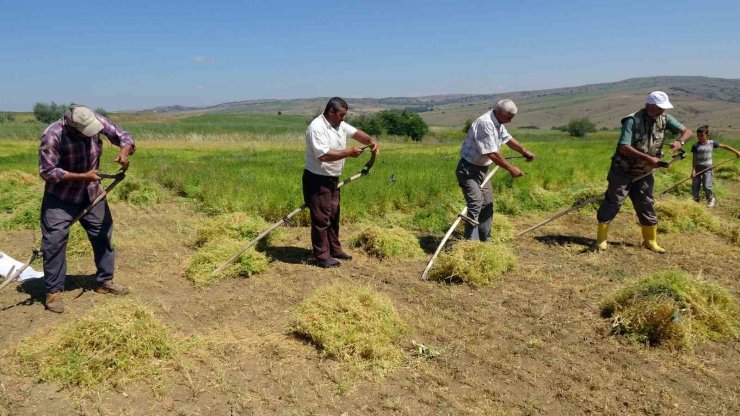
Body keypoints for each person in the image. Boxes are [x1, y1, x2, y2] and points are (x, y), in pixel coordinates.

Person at [38, 105, 135, 313]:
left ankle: (104, 281)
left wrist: (124, 152)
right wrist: (82, 176)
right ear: (71, 125)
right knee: (54, 241)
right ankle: (53, 292)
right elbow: (47, 172)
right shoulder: (53, 135)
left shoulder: (94, 121)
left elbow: (124, 137)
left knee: (103, 234)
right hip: (61, 197)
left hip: (92, 192)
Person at [595, 91, 693, 253]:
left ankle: (650, 241)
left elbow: (687, 131)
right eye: (660, 108)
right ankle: (601, 240)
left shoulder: (665, 119)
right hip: (623, 170)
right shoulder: (632, 120)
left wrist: (679, 141)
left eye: (663, 108)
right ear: (650, 105)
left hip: (645, 173)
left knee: (646, 203)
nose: (662, 111)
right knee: (613, 202)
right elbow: (624, 147)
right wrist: (649, 159)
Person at [303, 97, 379, 268]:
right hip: (317, 179)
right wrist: (348, 153)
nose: (344, 118)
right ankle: (322, 256)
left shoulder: (339, 124)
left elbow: (357, 133)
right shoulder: (316, 128)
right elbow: (323, 155)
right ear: (331, 111)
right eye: (341, 115)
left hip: (332, 177)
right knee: (321, 218)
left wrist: (371, 142)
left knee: (333, 214)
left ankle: (334, 250)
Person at [456, 99, 535, 241]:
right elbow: (492, 154)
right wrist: (511, 168)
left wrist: (524, 152)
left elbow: (508, 139)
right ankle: (470, 244)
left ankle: (485, 240)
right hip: (468, 171)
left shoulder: (498, 122)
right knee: (476, 203)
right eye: (509, 118)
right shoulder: (485, 123)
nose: (510, 121)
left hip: (482, 170)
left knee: (487, 204)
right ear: (499, 112)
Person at [691, 125, 740, 207]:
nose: (700, 137)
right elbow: (694, 159)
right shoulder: (695, 146)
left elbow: (725, 146)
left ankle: (711, 199)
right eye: (698, 136)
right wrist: (693, 170)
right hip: (697, 168)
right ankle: (696, 200)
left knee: (707, 185)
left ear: (707, 135)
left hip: (708, 168)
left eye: (702, 136)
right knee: (695, 186)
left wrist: (737, 152)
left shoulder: (711, 143)